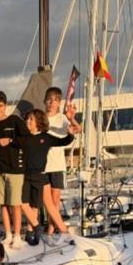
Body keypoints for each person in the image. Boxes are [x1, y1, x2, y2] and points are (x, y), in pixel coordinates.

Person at [16, 109, 76, 246]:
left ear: (39, 122)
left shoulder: (46, 137)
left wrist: (70, 135)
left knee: (50, 206)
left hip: (41, 176)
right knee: (27, 205)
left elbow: (63, 141)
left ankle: (64, 232)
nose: (27, 121)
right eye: (27, 119)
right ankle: (35, 231)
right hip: (26, 177)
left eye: (31, 119)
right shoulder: (23, 138)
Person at [0, 90, 28, 249]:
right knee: (2, 204)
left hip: (15, 170)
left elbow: (26, 140)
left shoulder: (15, 121)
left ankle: (17, 236)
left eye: (1, 105)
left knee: (15, 204)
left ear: (6, 106)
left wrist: (9, 140)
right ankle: (8, 234)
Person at [43, 86, 82, 241]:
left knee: (55, 200)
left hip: (57, 165)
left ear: (59, 104)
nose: (52, 103)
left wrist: (72, 118)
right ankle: (53, 230)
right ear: (45, 101)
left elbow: (76, 129)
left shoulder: (62, 118)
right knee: (47, 203)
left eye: (56, 101)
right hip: (42, 165)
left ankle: (51, 233)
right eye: (50, 100)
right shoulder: (40, 118)